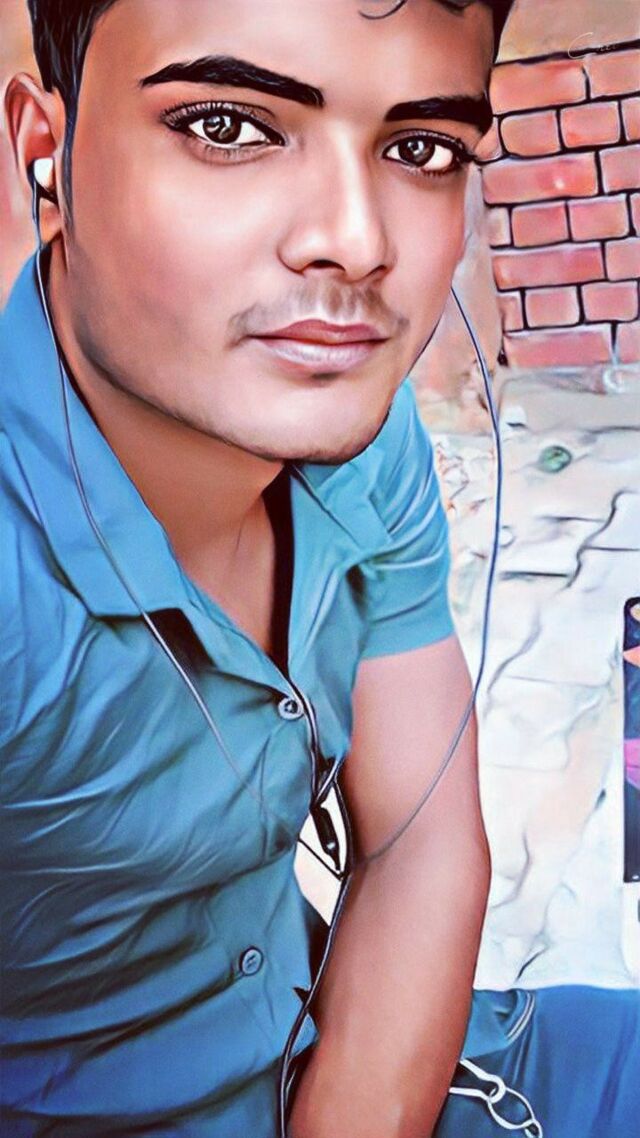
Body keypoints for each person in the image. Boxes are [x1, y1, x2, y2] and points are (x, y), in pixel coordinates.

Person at [1, 2, 512, 1136]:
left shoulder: (363, 443)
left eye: (422, 147)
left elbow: (421, 836)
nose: (356, 241)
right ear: (47, 147)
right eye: (227, 125)